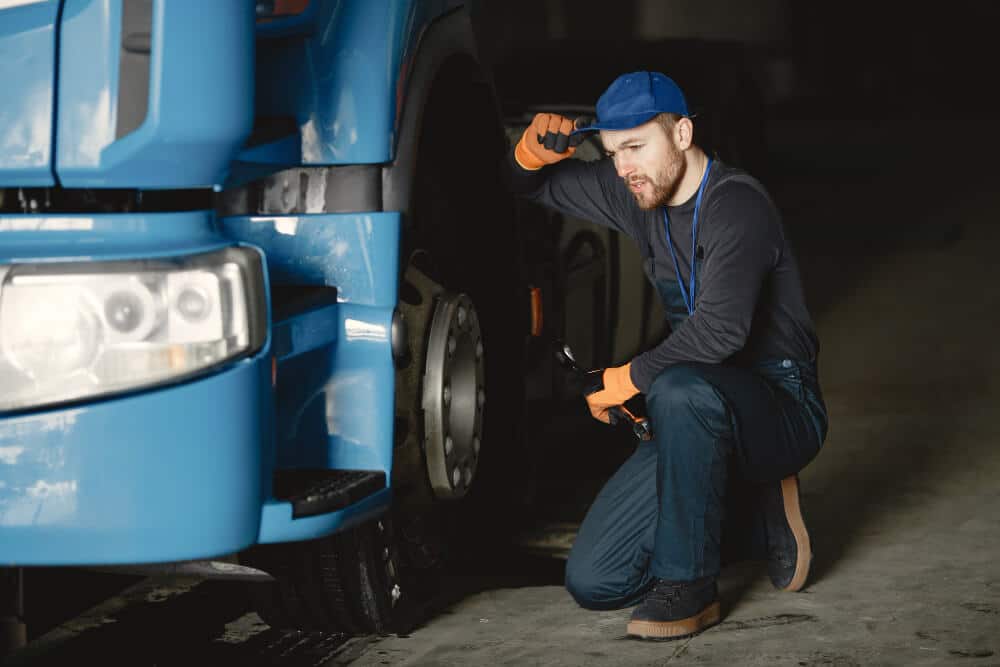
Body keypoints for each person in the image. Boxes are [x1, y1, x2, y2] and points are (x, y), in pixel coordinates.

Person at [506, 71, 829, 640]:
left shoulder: (738, 205)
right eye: (613, 152)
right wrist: (527, 156)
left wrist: (626, 379)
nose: (624, 167)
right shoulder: (638, 191)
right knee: (596, 580)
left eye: (636, 146)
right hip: (690, 411)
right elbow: (529, 188)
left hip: (778, 404)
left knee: (677, 388)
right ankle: (745, 515)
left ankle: (690, 587)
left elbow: (721, 332)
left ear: (682, 134)